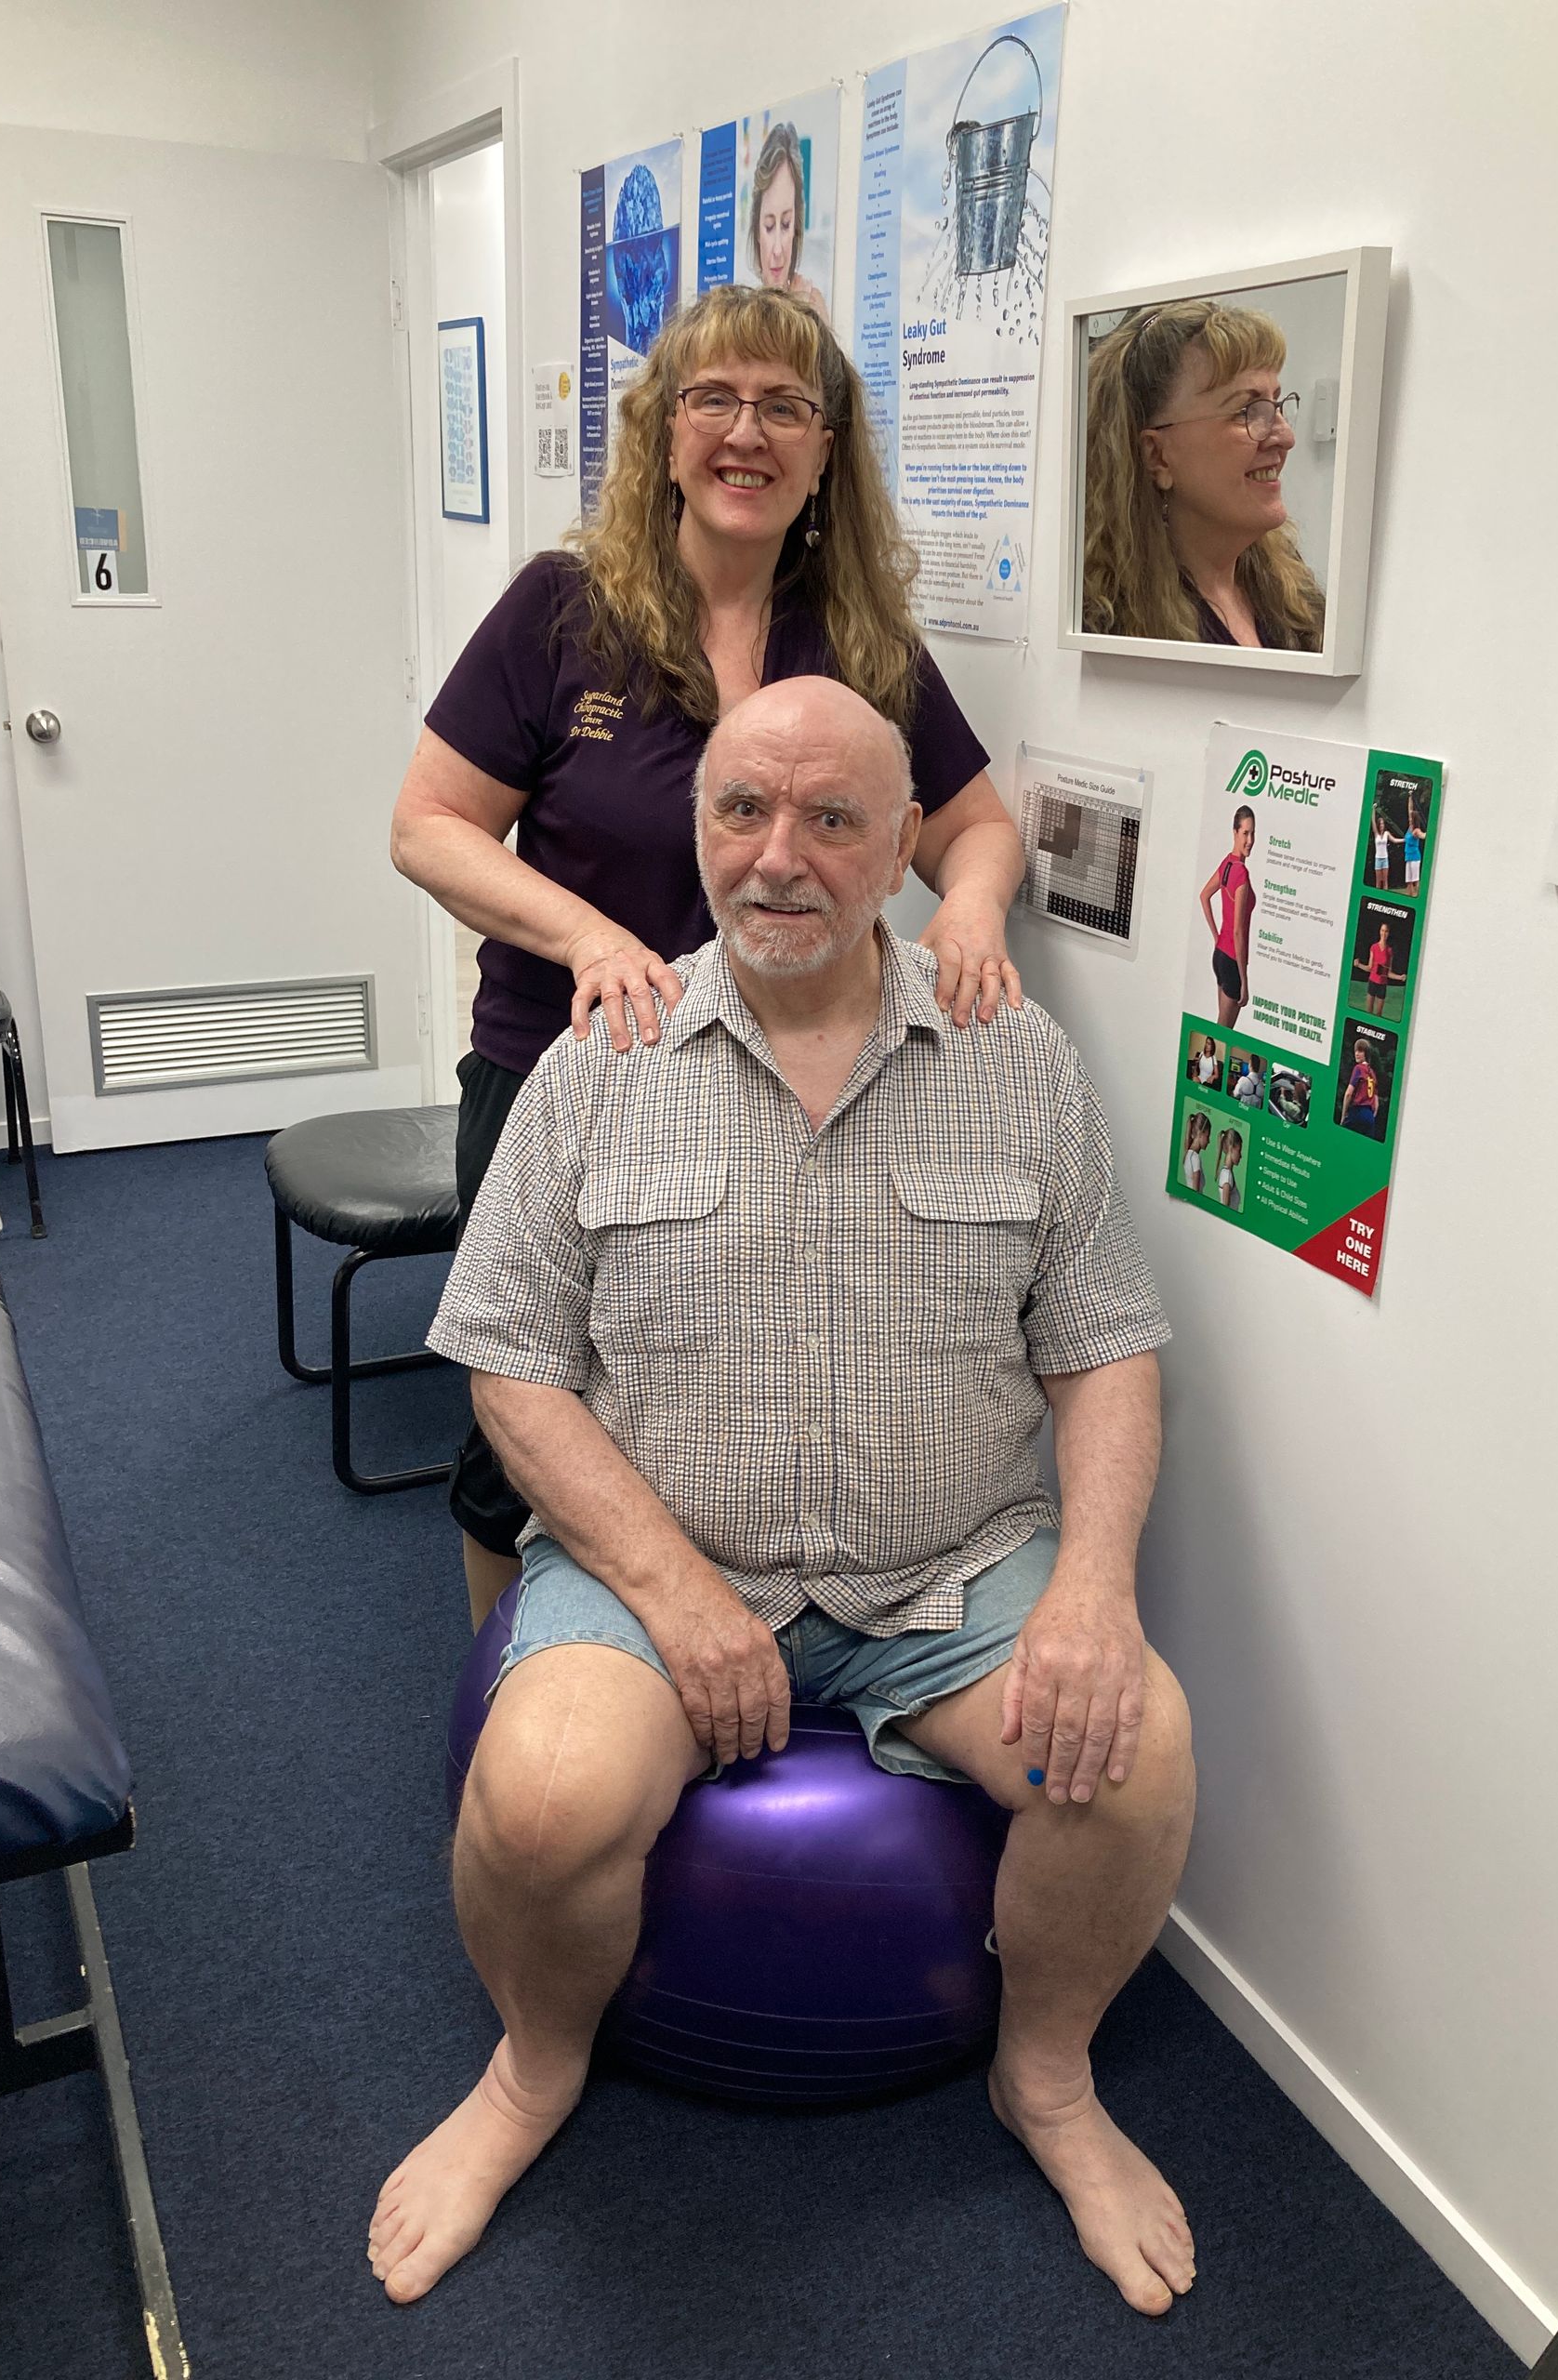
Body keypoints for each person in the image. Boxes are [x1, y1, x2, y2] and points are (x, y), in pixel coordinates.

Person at [369, 679, 1196, 2320]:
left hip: (947, 1576)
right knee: (540, 1794)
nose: (781, 857)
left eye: (833, 819)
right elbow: (510, 1372)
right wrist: (675, 1594)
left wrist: (1097, 1586)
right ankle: (535, 2073)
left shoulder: (1013, 1063)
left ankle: (1045, 2079)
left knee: (1141, 1753)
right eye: (743, 811)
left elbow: (1104, 1351)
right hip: (663, 1564)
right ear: (697, 831)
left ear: (906, 843)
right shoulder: (599, 1058)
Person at [390, 285, 1027, 1626]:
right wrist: (593, 936)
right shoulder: (563, 611)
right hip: (572, 1074)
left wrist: (968, 910)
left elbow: (972, 832)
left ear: (824, 451)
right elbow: (429, 826)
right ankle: (516, 1690)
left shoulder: (857, 641)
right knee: (529, 1431)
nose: (748, 432)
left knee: (731, 1399)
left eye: (786, 406)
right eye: (714, 399)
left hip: (799, 1088)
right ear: (663, 431)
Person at [1081, 299, 1326, 649]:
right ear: (1157, 455)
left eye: (1276, 404)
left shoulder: (1291, 596)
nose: (1285, 438)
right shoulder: (1105, 626)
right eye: (1247, 411)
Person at [748, 121, 827, 320]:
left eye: (785, 224)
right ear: (757, 230)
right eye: (768, 226)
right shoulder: (743, 316)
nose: (777, 250)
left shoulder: (814, 303)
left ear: (796, 227)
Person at [1198, 806, 1255, 1029]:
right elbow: (1238, 931)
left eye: (1253, 833)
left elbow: (1204, 896)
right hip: (1231, 962)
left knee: (1220, 1029)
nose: (1250, 840)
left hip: (1220, 955)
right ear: (1235, 832)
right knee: (1224, 1034)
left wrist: (1216, 936)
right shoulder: (1240, 872)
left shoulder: (1227, 863)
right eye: (1245, 833)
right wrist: (1245, 980)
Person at [1340, 1038, 1380, 1136]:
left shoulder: (1358, 1068)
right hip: (1369, 1117)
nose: (1357, 1054)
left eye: (1360, 1051)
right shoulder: (1372, 1073)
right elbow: (1376, 1102)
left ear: (1366, 1054)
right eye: (1356, 1051)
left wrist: (1343, 1115)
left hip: (1357, 1112)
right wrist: (1371, 1116)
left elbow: (1348, 1093)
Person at [1364, 920, 1402, 1017]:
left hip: (1382, 986)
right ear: (1380, 931)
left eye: (1386, 931)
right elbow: (1369, 967)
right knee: (1369, 1012)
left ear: (1388, 933)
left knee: (1379, 1014)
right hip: (1372, 982)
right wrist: (1358, 964)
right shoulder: (1374, 947)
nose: (1384, 933)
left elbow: (1388, 973)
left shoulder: (1389, 951)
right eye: (1382, 930)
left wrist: (1400, 977)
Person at [1402, 795, 1427, 896]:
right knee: (1409, 880)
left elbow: (1423, 836)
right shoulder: (1410, 827)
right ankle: (1409, 896)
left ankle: (1417, 896)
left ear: (1414, 820)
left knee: (1415, 880)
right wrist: (1410, 797)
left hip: (1415, 857)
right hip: (1408, 857)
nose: (1410, 819)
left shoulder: (1416, 830)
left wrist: (1429, 833)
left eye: (1411, 818)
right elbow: (1410, 809)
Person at [1181, 1109, 1211, 1190]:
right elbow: (1195, 1192)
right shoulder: (1195, 1158)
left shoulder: (1188, 1154)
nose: (1209, 1141)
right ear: (1201, 1133)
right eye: (1207, 1136)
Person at [1215, 1127, 1243, 1210]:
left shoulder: (1226, 1173)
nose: (1241, 1156)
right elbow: (1225, 1210)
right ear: (1231, 1148)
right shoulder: (1227, 1176)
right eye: (1239, 1150)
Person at [1370, 799, 1393, 892]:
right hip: (1378, 859)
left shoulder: (1387, 833)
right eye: (1381, 824)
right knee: (1378, 882)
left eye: (1383, 824)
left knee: (1385, 881)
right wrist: (1373, 810)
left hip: (1385, 859)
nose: (1382, 825)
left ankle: (1385, 898)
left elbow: (1394, 840)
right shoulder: (1376, 834)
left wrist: (1404, 840)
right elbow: (1373, 822)